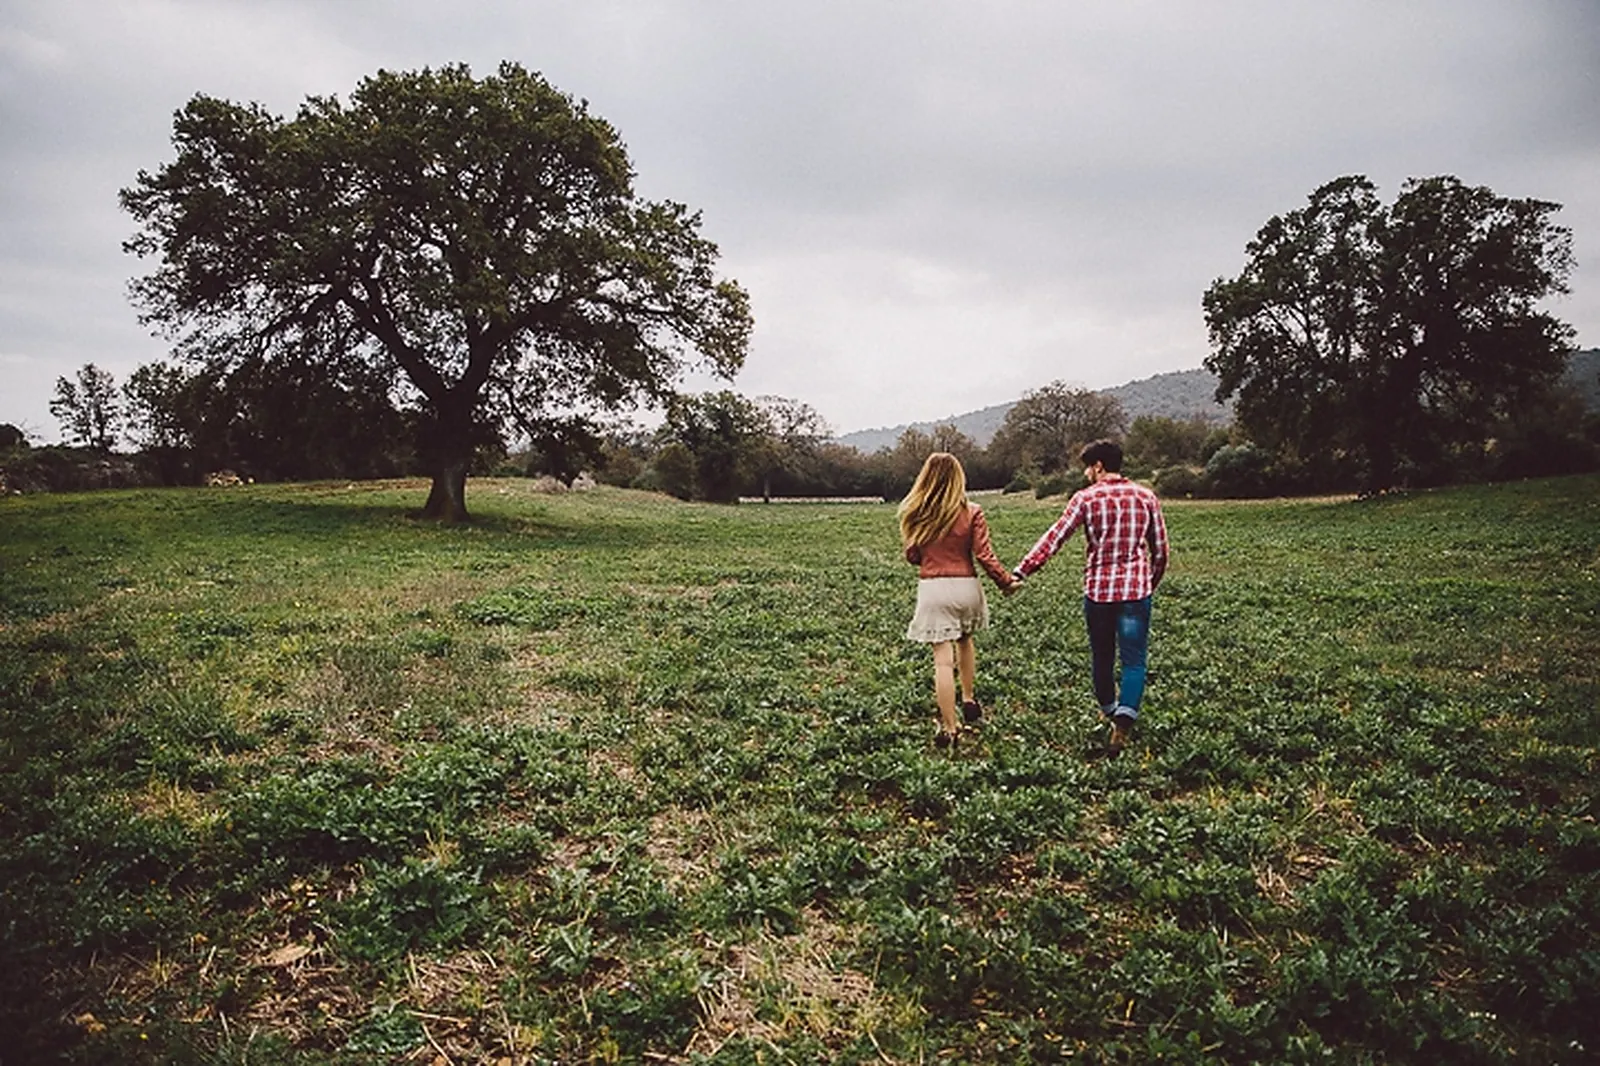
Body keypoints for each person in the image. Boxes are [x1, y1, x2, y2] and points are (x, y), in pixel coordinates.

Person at [1011, 439, 1169, 755]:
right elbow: (1160, 549)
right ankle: (1125, 716)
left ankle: (1110, 710)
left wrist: (1023, 570)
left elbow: (1055, 537)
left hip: (1099, 591)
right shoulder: (1146, 496)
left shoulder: (1085, 498)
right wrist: (1149, 581)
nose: (1085, 473)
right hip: (1136, 591)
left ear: (1098, 466)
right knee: (1134, 660)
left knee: (1102, 656)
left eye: (1088, 466)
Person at [899, 452, 1019, 748]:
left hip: (934, 588)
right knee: (965, 640)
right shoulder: (973, 511)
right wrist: (1006, 582)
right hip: (966, 586)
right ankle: (968, 698)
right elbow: (984, 555)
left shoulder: (917, 511)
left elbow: (912, 556)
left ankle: (950, 729)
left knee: (942, 660)